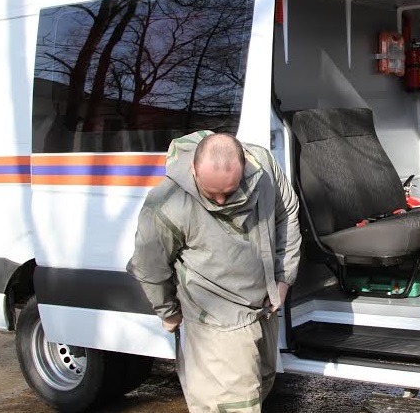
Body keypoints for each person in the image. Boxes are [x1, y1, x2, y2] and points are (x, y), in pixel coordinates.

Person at [127, 130, 301, 413]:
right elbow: (148, 266)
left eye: (228, 192)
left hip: (262, 311)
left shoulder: (264, 166)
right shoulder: (167, 204)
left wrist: (283, 277)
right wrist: (168, 311)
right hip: (217, 324)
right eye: (211, 193)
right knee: (232, 405)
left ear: (244, 167)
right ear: (193, 169)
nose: (220, 201)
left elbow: (288, 213)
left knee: (262, 385)